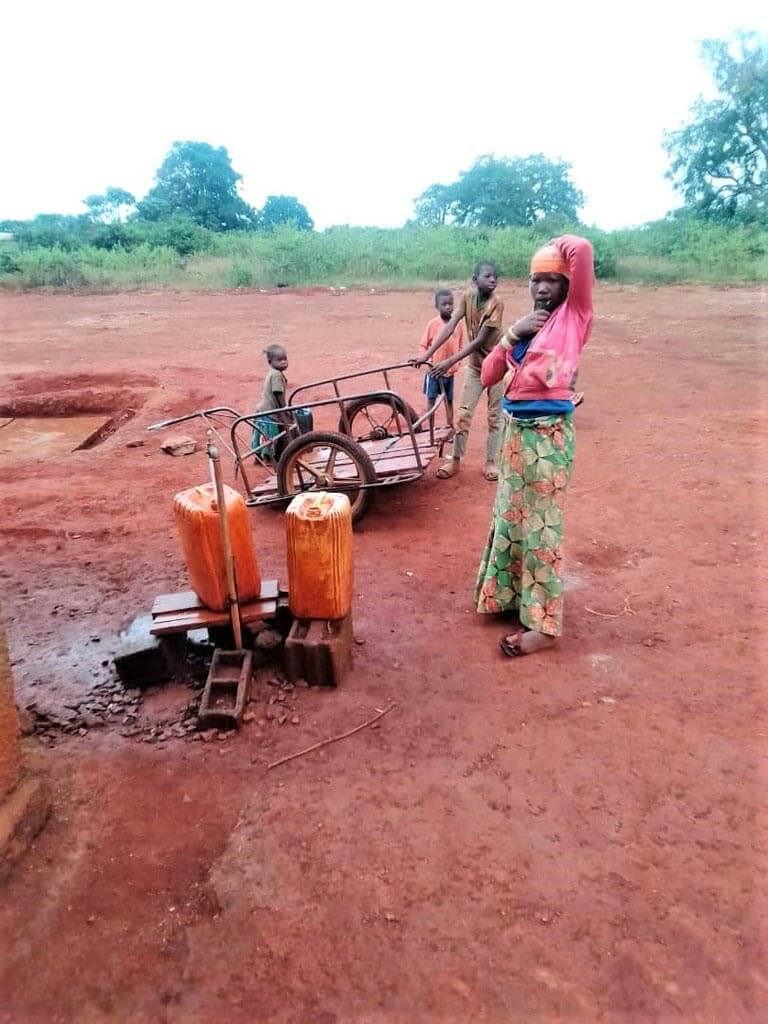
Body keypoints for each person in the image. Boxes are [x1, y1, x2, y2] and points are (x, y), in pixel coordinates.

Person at [474, 235, 594, 657]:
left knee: (542, 529)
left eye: (552, 280)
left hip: (548, 437)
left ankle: (543, 627)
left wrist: (555, 244)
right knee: (510, 519)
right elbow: (488, 375)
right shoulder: (526, 327)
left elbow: (581, 248)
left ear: (567, 286)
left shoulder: (575, 317)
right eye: (535, 280)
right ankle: (507, 597)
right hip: (515, 437)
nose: (543, 288)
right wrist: (510, 335)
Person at [417, 261, 505, 481]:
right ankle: (455, 460)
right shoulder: (467, 298)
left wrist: (448, 362)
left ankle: (492, 462)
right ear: (475, 280)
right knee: (463, 414)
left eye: (495, 276)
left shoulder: (497, 304)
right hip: (476, 368)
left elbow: (480, 341)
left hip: (497, 366)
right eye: (487, 276)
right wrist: (426, 355)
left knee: (495, 417)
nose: (493, 280)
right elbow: (450, 326)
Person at [418, 289, 467, 428]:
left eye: (450, 304)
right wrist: (428, 362)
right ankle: (431, 429)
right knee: (431, 400)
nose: (448, 307)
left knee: (449, 401)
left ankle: (450, 426)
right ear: (437, 306)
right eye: (444, 304)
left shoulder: (458, 325)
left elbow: (461, 346)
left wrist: (457, 364)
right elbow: (423, 345)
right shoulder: (432, 324)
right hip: (433, 372)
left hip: (449, 372)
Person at [252, 343, 292, 460]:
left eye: (285, 359)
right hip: (269, 411)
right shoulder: (276, 375)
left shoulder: (273, 372)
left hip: (262, 409)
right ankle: (269, 457)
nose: (284, 362)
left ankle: (258, 455)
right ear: (270, 362)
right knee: (271, 434)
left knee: (261, 432)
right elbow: (278, 393)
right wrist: (284, 410)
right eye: (279, 360)